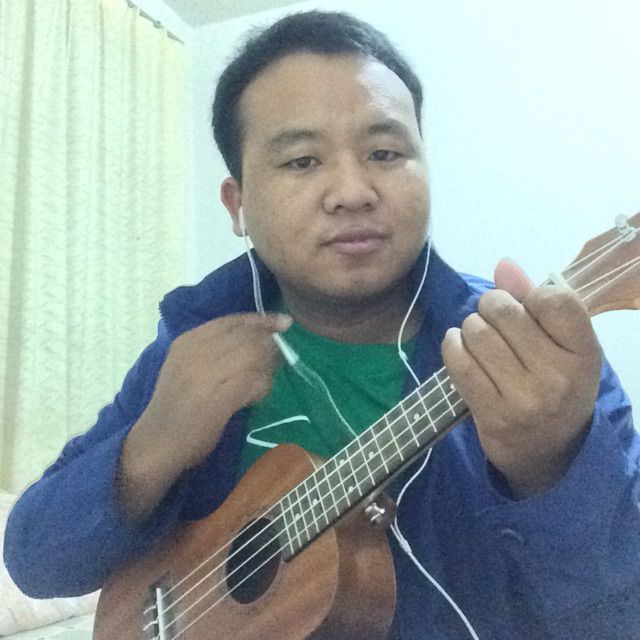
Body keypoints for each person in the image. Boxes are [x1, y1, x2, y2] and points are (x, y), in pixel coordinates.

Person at [4, 10, 639, 639]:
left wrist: (552, 467)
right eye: (303, 161)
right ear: (238, 204)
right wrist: (151, 447)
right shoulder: (194, 342)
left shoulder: (533, 357)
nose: (352, 191)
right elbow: (34, 561)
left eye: (385, 152)